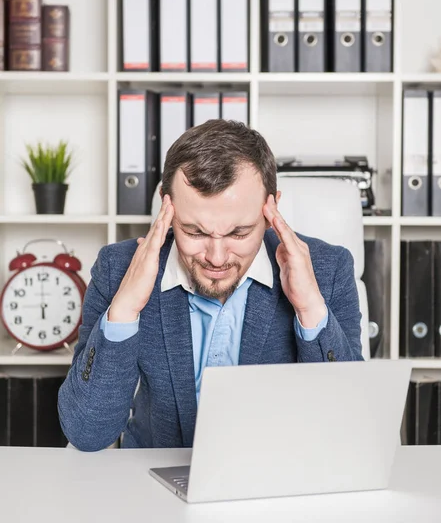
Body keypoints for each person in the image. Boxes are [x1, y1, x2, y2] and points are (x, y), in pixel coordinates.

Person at [58, 119, 363, 452]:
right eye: (195, 232)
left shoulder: (326, 269)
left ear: (271, 207)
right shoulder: (119, 269)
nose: (217, 258)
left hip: (276, 484)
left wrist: (310, 310)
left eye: (239, 233)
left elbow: (350, 427)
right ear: (166, 205)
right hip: (150, 484)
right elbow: (87, 433)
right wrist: (125, 310)